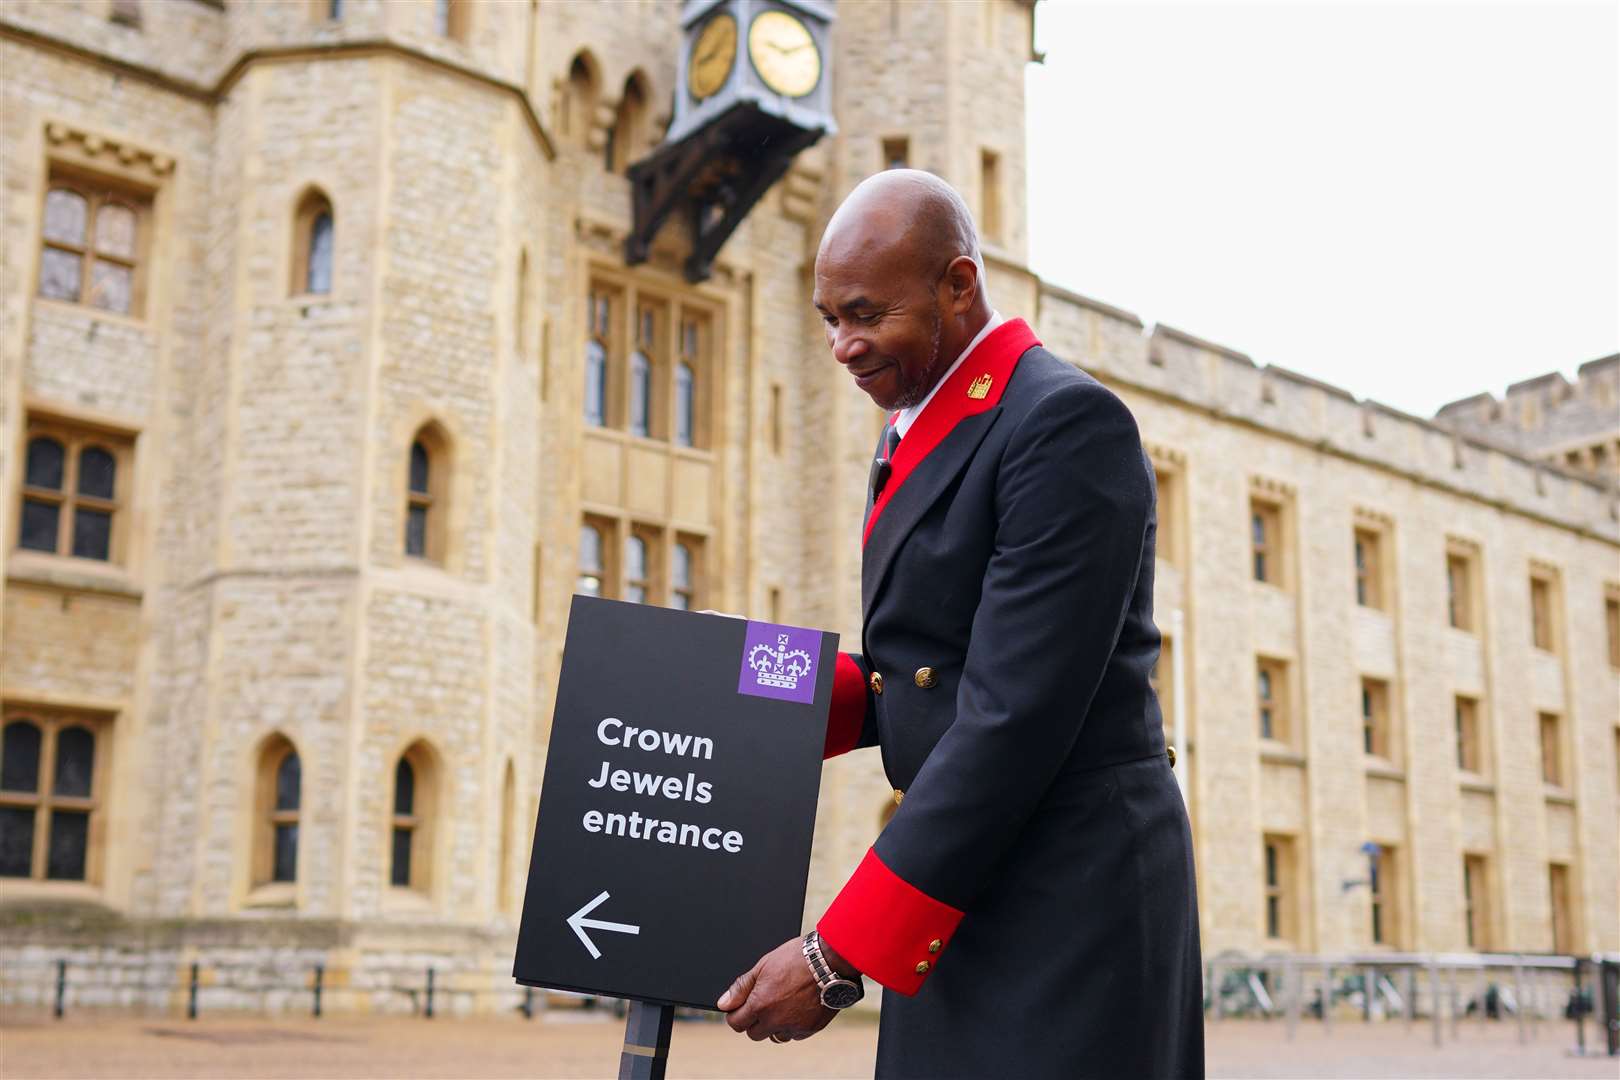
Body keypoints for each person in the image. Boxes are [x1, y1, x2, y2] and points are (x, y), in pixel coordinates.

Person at [716, 169, 1204, 1079]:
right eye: (829, 319)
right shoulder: (920, 418)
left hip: (1070, 895)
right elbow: (924, 669)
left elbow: (1010, 718)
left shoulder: (1064, 424)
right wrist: (729, 682)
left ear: (959, 285)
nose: (843, 347)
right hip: (970, 879)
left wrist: (834, 957)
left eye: (866, 314)